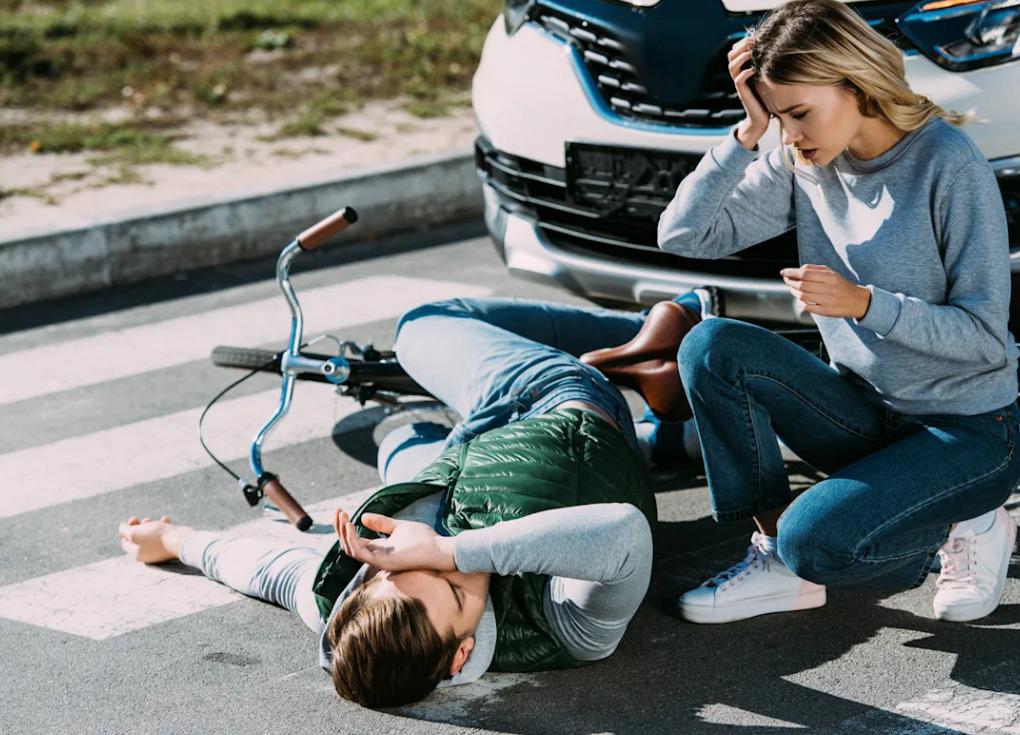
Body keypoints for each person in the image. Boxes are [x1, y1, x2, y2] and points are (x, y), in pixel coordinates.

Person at [651, 0, 1020, 624]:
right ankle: (773, 558)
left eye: (799, 114)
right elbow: (683, 235)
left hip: (970, 432)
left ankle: (968, 521)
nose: (791, 135)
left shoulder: (948, 163)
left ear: (854, 83)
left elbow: (986, 339)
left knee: (816, 544)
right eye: (779, 116)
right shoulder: (804, 163)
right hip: (864, 413)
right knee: (711, 346)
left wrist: (866, 305)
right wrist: (746, 134)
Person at [118, 296, 670, 709]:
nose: (423, 553)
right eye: (453, 589)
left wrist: (174, 540)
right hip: (556, 402)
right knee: (423, 324)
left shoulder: (348, 604)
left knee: (400, 442)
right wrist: (449, 551)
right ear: (461, 654)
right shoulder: (566, 629)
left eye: (398, 567)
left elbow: (269, 572)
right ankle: (653, 334)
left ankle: (667, 439)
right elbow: (625, 534)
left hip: (462, 451)